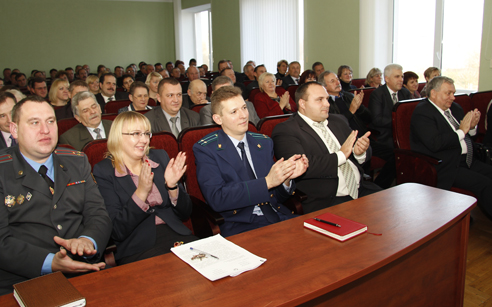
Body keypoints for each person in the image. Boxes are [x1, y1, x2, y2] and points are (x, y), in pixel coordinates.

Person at [0, 96, 112, 302]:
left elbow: (98, 214)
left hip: (79, 268)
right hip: (12, 278)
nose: (45, 130)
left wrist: (87, 241)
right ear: (15, 130)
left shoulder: (77, 161)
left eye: (50, 121)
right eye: (34, 122)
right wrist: (50, 262)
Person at [193, 86, 308, 237]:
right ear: (218, 119)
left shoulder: (264, 143)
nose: (243, 116)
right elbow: (217, 199)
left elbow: (277, 197)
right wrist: (267, 182)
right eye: (234, 112)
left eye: (244, 108)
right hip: (239, 224)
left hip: (276, 216)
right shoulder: (207, 149)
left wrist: (286, 178)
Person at [92, 112, 197, 264]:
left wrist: (172, 186)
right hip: (138, 245)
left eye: (147, 134)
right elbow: (117, 230)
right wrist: (141, 192)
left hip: (176, 234)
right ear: (118, 137)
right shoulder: (104, 171)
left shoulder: (159, 157)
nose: (144, 140)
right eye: (136, 134)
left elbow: (185, 213)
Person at [272, 82, 381, 213]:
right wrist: (341, 155)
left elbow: (361, 148)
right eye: (320, 100)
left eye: (327, 99)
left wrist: (359, 152)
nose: (327, 104)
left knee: (395, 211)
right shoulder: (286, 130)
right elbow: (300, 164)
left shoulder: (338, 120)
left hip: (361, 187)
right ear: (302, 103)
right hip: (328, 199)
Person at [410, 76, 492, 219]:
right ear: (434, 93)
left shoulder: (455, 107)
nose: (453, 97)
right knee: (485, 185)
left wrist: (471, 128)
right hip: (446, 165)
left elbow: (468, 135)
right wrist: (462, 131)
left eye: (453, 93)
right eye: (448, 93)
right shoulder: (423, 112)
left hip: (468, 160)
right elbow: (435, 143)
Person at [367, 63, 410, 188]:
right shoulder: (378, 94)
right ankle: (380, 186)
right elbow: (377, 120)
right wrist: (398, 121)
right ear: (387, 79)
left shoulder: (405, 93)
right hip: (384, 136)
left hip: (403, 135)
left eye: (402, 76)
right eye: (397, 77)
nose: (401, 80)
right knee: (397, 156)